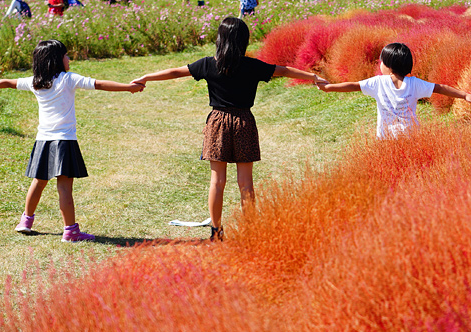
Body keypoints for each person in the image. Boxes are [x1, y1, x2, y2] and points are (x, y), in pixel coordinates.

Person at [132, 17, 327, 241]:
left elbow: (177, 72)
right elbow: (282, 71)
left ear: (220, 39)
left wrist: (146, 77)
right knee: (246, 183)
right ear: (244, 41)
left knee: (217, 181)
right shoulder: (253, 66)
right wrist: (312, 77)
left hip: (217, 123)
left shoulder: (208, 64)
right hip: (244, 122)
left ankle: (216, 231)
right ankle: (251, 230)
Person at [0, 40, 145, 242]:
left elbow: (8, 82)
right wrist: (128, 88)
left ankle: (26, 221)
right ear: (56, 60)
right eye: (66, 55)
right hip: (64, 141)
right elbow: (99, 84)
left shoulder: (35, 82)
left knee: (38, 183)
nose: (69, 59)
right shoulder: (68, 79)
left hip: (43, 141)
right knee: (65, 188)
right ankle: (70, 231)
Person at [317, 42, 471, 139]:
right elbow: (440, 88)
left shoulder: (377, 83)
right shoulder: (415, 84)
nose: (379, 64)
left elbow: (353, 86)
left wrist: (329, 88)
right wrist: (465, 95)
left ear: (388, 65)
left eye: (381, 61)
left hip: (385, 138)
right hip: (412, 136)